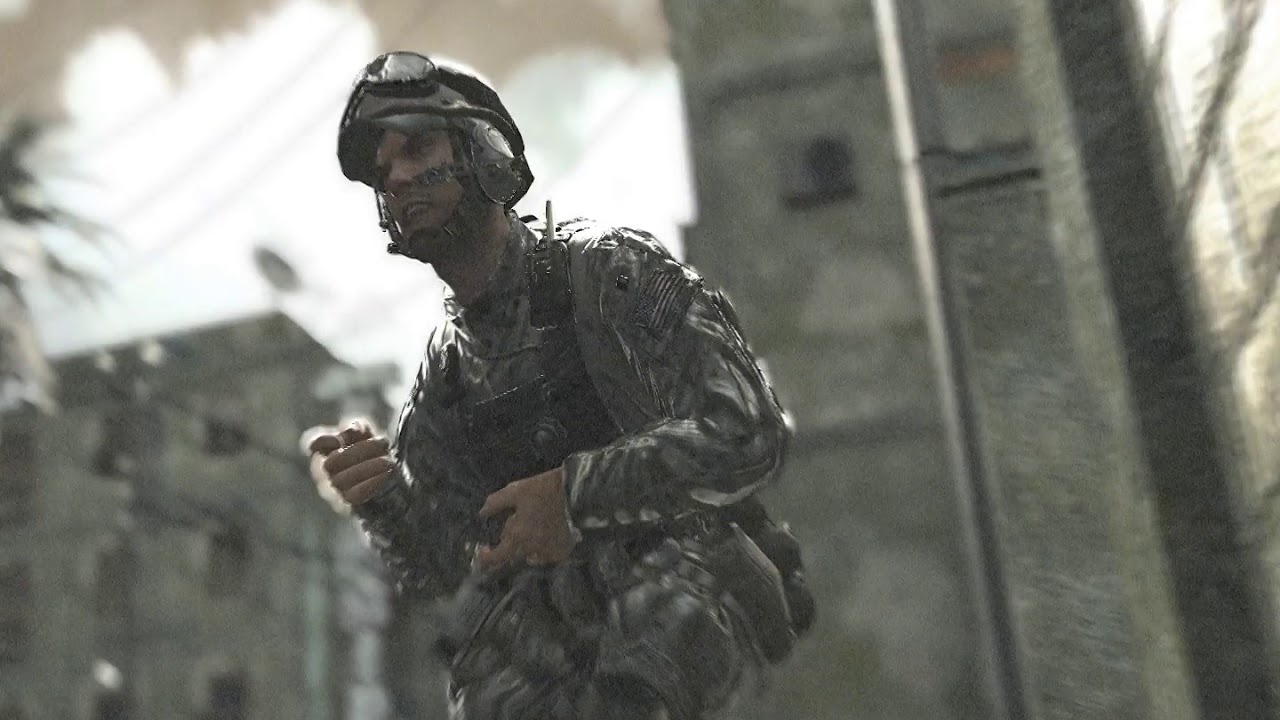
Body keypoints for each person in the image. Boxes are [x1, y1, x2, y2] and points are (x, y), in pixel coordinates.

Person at [306, 51, 814, 720]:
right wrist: (381, 497)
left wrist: (573, 497)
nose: (397, 178)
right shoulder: (449, 375)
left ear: (482, 152)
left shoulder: (606, 273)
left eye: (417, 148)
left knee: (658, 628)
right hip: (560, 646)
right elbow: (441, 565)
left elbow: (748, 430)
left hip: (686, 612)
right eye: (381, 172)